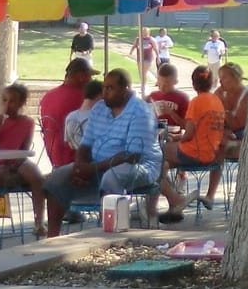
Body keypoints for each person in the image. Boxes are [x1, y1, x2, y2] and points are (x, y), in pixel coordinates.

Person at [43, 68, 183, 234]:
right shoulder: (99, 109)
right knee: (56, 178)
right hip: (100, 164)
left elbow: (131, 156)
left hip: (141, 166)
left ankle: (110, 234)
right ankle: (52, 237)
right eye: (104, 87)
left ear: (125, 90)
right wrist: (80, 167)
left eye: (111, 88)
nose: (105, 92)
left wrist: (92, 169)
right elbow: (85, 145)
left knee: (113, 176)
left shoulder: (141, 112)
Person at [0, 81, 48, 235]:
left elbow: (25, 148)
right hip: (0, 161)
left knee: (36, 177)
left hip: (19, 160)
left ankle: (39, 222)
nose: (8, 104)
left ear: (21, 103)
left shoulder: (27, 122)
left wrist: (15, 164)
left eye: (12, 101)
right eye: (4, 100)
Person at [173, 64, 229, 209]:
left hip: (194, 154)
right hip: (212, 155)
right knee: (166, 160)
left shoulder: (196, 102)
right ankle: (209, 195)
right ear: (212, 83)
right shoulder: (217, 101)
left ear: (193, 84)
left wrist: (177, 138)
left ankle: (175, 199)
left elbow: (189, 133)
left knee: (159, 153)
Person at [39, 57, 93, 168]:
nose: (91, 80)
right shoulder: (84, 98)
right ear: (81, 77)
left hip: (54, 157)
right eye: (90, 76)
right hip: (76, 160)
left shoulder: (48, 96)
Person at [216, 61, 248, 157]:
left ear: (235, 78)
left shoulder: (246, 95)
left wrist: (224, 108)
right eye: (220, 78)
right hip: (224, 132)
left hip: (239, 133)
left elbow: (237, 124)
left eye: (224, 78)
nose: (220, 81)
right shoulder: (220, 92)